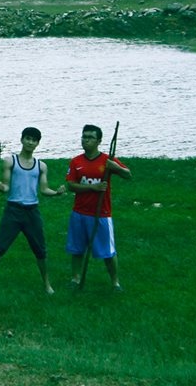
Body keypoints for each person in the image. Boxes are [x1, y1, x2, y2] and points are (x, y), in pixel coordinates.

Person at [0, 127, 66, 295]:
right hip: (13, 210)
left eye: (34, 140)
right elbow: (6, 186)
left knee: (40, 250)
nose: (30, 142)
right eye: (28, 138)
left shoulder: (41, 166)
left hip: (32, 212)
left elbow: (44, 189)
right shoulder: (10, 161)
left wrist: (57, 193)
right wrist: (1, 187)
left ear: (37, 143)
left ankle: (47, 284)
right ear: (22, 140)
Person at [65, 124, 132, 291]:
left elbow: (128, 175)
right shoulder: (76, 162)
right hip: (79, 212)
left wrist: (115, 168)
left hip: (101, 213)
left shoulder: (107, 160)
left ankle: (115, 282)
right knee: (77, 248)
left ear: (99, 141)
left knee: (108, 252)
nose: (86, 140)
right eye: (84, 136)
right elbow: (71, 186)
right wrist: (92, 188)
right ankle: (75, 278)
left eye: (90, 137)